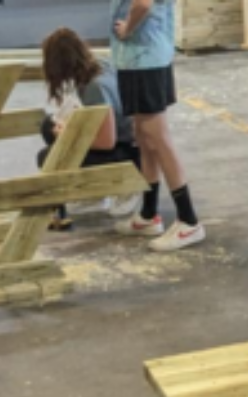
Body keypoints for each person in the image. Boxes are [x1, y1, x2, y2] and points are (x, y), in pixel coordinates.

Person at [110, 0, 204, 251]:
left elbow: (143, 3)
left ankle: (188, 220)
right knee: (143, 136)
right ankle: (148, 214)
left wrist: (128, 27)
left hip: (144, 58)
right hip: (137, 57)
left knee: (157, 136)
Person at [38, 28, 141, 230]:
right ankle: (96, 192)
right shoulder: (100, 65)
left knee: (47, 156)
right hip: (126, 139)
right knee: (47, 126)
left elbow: (107, 141)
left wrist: (67, 134)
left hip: (125, 150)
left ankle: (122, 187)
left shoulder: (95, 87)